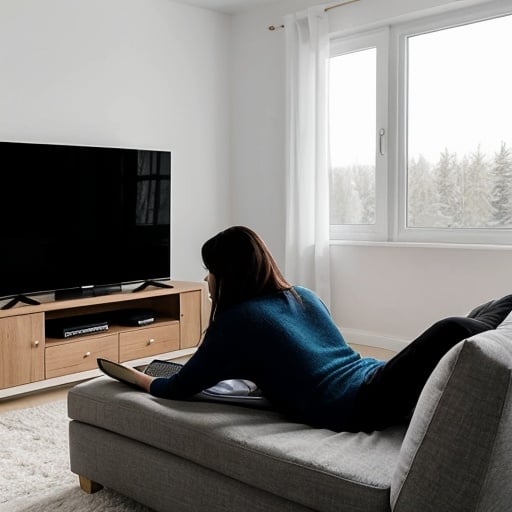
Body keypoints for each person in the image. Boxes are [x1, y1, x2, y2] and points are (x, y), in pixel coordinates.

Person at [99, 226, 512, 432]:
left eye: (210, 271)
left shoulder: (238, 321)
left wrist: (138, 378)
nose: (206, 280)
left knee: (455, 326)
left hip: (357, 403)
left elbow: (181, 385)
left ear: (226, 275)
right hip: (371, 379)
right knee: (479, 315)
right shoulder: (301, 294)